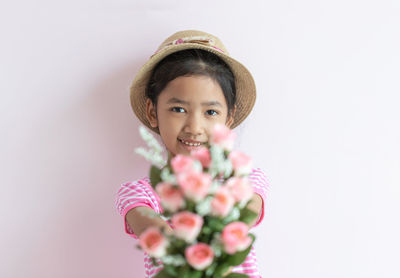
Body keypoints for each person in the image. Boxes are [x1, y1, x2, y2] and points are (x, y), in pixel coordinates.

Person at [115, 30, 269, 278]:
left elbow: (242, 220)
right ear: (153, 112)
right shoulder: (140, 195)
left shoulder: (242, 181)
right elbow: (164, 243)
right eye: (178, 109)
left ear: (229, 118)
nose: (194, 128)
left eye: (210, 112)